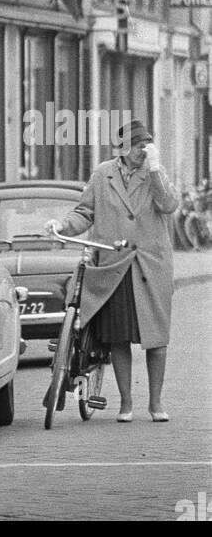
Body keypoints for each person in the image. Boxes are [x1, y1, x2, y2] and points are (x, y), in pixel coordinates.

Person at [46, 118, 179, 423]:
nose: (140, 151)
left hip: (150, 266)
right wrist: (61, 225)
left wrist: (156, 169)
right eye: (135, 145)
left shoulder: (154, 173)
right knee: (119, 337)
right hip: (115, 266)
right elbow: (84, 212)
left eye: (145, 145)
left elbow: (169, 204)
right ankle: (126, 403)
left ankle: (156, 404)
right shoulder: (102, 174)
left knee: (157, 338)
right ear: (121, 148)